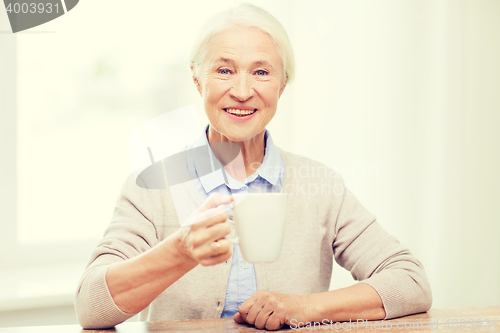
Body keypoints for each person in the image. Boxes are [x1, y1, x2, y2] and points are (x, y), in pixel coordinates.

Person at [74, 3, 432, 330]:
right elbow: (91, 306)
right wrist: (179, 252)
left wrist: (303, 308)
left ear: (282, 84)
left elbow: (410, 282)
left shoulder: (320, 186)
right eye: (225, 70)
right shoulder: (151, 186)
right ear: (197, 79)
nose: (243, 91)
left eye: (261, 72)